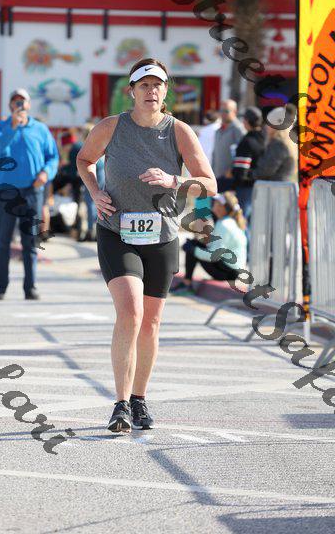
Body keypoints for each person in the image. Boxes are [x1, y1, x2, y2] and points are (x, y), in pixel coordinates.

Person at [77, 57, 217, 433]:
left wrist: (174, 181)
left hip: (162, 235)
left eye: (158, 85)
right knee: (131, 311)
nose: (151, 91)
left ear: (166, 91)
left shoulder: (179, 131)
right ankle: (120, 403)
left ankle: (139, 399)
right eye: (144, 85)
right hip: (116, 231)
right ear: (132, 91)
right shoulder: (111, 127)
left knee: (151, 322)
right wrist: (94, 191)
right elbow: (84, 159)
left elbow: (209, 184)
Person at [0, 88, 59, 300]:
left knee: (30, 241)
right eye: (15, 101)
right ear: (10, 105)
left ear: (29, 105)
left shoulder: (40, 129)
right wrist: (12, 125)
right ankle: (0, 288)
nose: (19, 104)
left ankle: (30, 287)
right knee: (3, 241)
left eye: (22, 101)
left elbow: (53, 157)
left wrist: (46, 173)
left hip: (31, 191)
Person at [170, 192, 247, 294]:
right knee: (195, 244)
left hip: (228, 272)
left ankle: (187, 284)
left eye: (217, 202)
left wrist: (193, 250)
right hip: (233, 271)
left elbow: (214, 256)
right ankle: (187, 283)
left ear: (221, 208)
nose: (213, 203)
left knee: (193, 246)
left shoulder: (224, 224)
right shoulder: (230, 221)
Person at [232, 106, 266, 223]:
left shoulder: (247, 141)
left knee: (243, 223)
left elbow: (241, 171)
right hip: (263, 187)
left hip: (246, 189)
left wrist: (233, 182)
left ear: (246, 121)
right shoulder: (266, 138)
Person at [254, 106, 297, 182]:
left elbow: (265, 171)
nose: (266, 126)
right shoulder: (288, 143)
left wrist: (248, 174)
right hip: (282, 186)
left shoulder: (278, 145)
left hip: (274, 187)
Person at [211, 99, 245, 191]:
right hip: (217, 177)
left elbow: (243, 153)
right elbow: (215, 153)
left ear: (235, 112)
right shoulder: (218, 130)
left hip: (230, 179)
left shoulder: (238, 129)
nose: (222, 114)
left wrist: (231, 170)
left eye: (226, 111)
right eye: (221, 110)